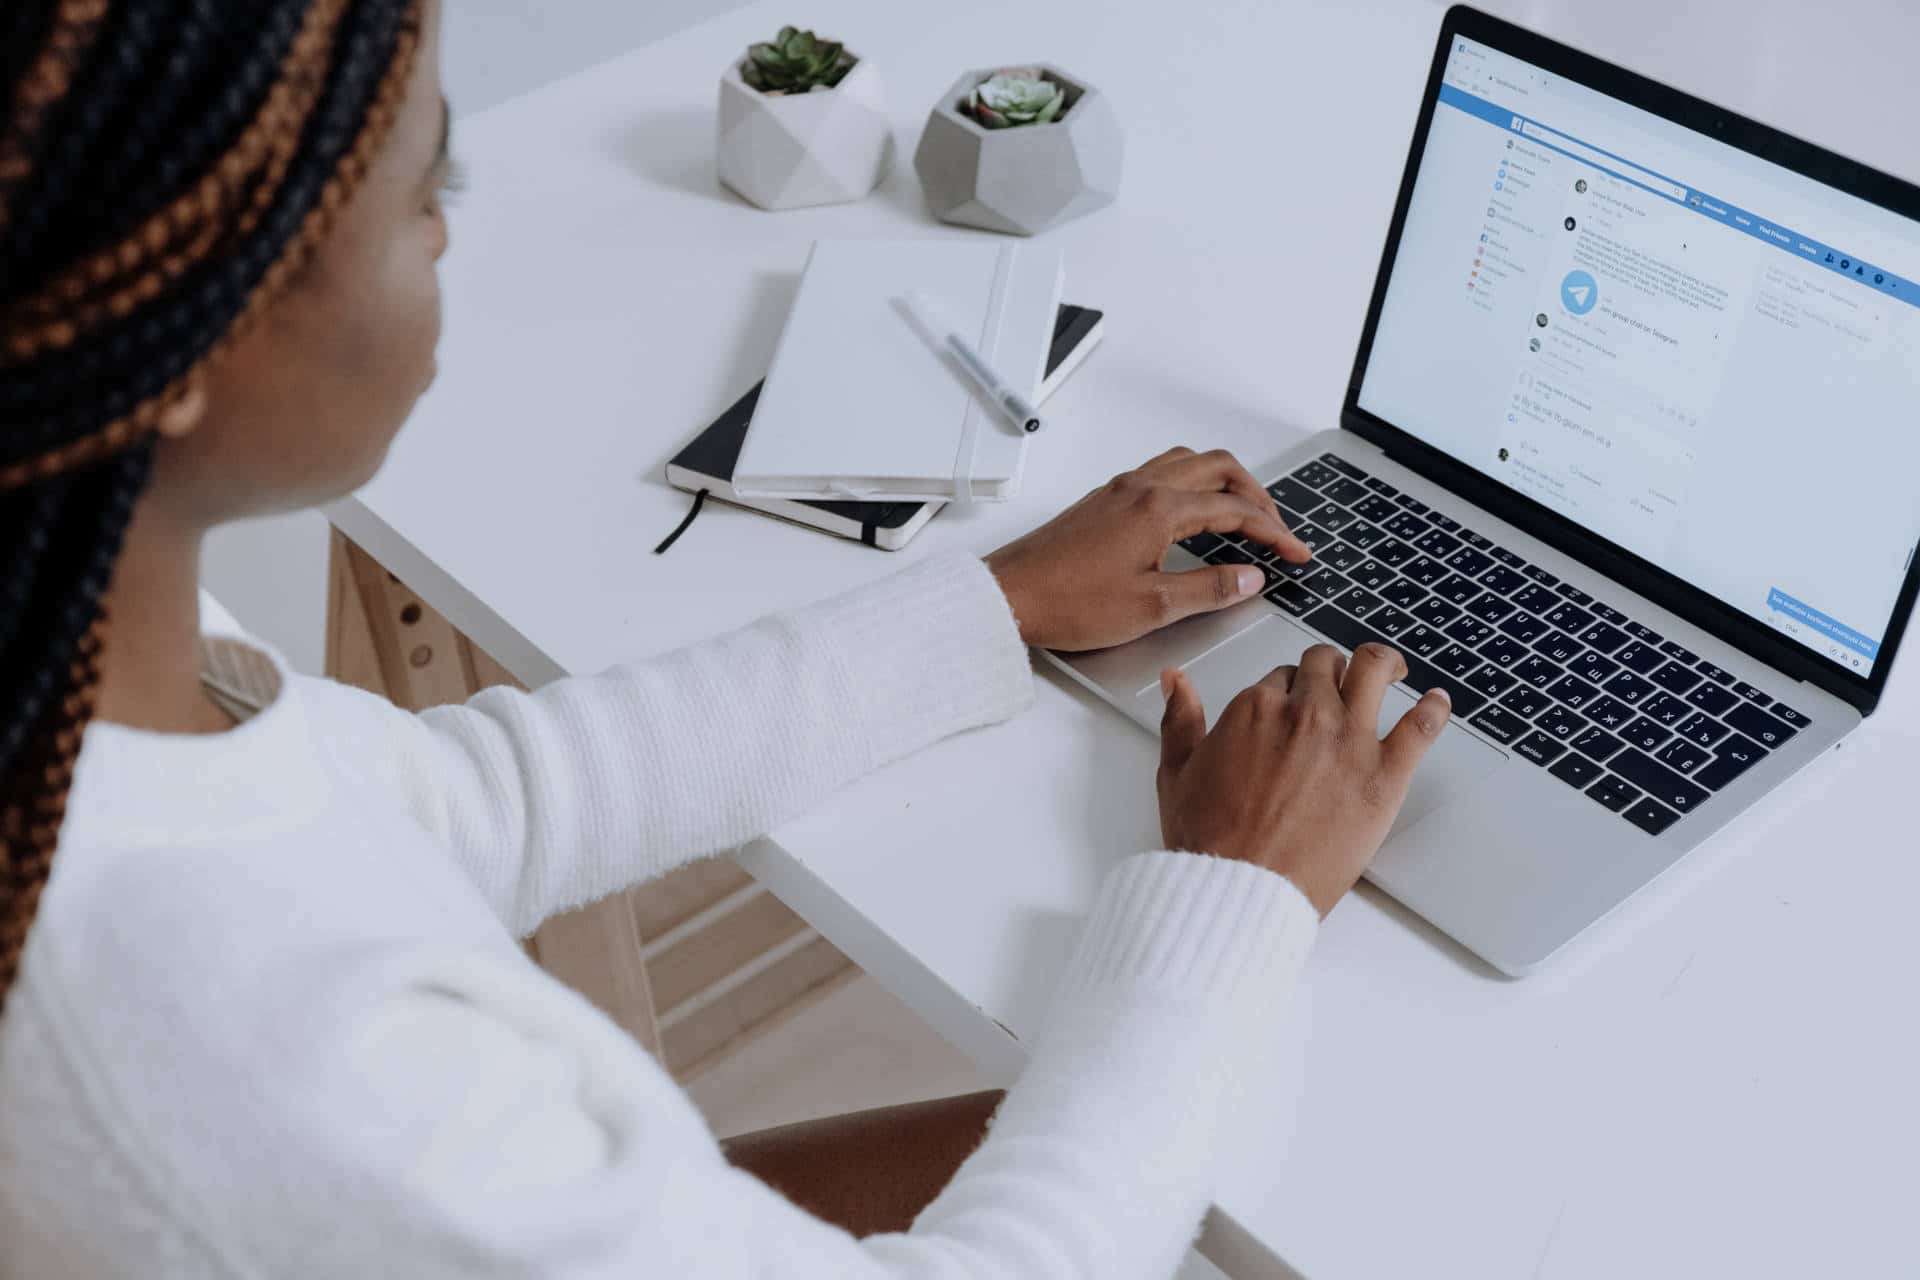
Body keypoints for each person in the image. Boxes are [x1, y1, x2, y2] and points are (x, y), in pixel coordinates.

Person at [0, 2, 1452, 1275]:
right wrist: (1231, 888)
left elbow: (463, 801)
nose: (449, 226)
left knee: (1196, 1138)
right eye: (421, 187)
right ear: (163, 330)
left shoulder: (74, 662)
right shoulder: (291, 1079)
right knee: (1274, 1159)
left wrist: (992, 603)